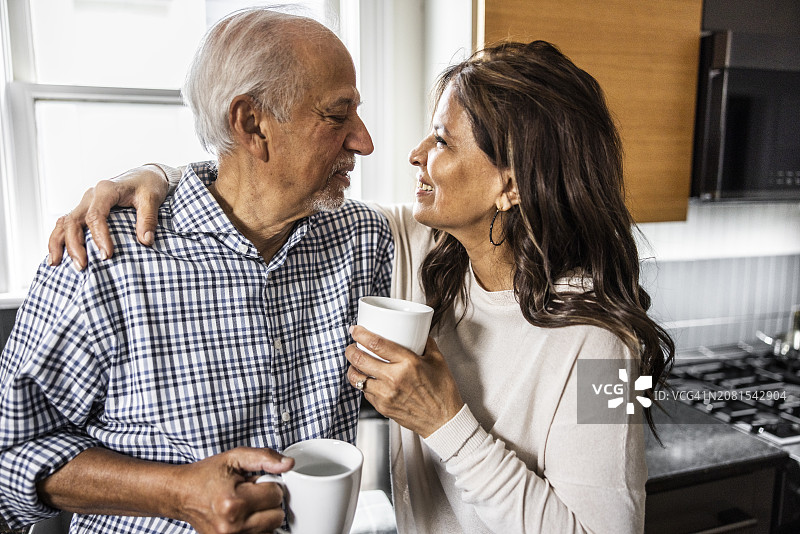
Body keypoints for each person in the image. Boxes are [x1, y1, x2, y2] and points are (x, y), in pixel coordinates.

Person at [46, 41, 675, 533]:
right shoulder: (422, 254)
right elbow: (257, 182)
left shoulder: (605, 353)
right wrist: (152, 175)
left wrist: (445, 422)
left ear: (511, 185)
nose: (412, 153)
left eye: (443, 142)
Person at [0, 8, 393, 534]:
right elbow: (10, 455)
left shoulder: (367, 240)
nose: (364, 141)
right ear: (252, 123)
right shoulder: (99, 261)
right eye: (337, 115)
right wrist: (175, 493)